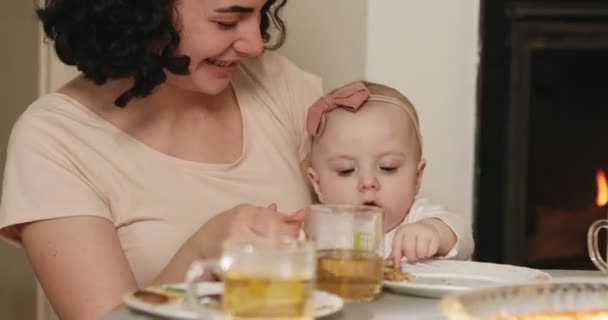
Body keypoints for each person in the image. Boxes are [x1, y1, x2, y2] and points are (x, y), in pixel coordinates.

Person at [0, 0, 321, 319]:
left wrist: (370, 106)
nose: (254, 45)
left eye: (259, 13)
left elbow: (357, 227)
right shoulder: (56, 137)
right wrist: (201, 253)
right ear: (146, 15)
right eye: (226, 22)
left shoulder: (276, 83)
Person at [304, 81, 474, 267]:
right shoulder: (317, 230)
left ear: (416, 178)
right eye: (346, 170)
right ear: (318, 185)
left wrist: (434, 232)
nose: (368, 182)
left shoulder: (416, 218)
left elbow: (464, 238)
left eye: (387, 167)